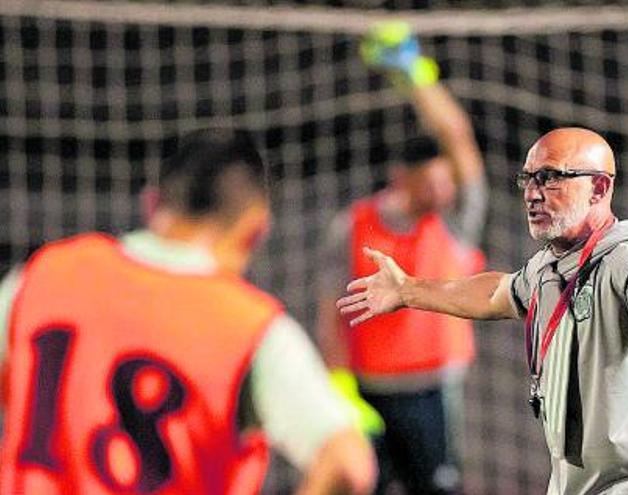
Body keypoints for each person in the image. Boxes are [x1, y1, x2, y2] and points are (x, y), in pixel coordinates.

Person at [337, 127, 628, 494]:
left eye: (551, 177)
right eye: (528, 178)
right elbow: (496, 292)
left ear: (598, 187)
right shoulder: (550, 267)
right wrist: (409, 289)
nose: (532, 192)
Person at [0, 128, 377, 495]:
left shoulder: (44, 273)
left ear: (151, 203)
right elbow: (348, 464)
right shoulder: (249, 327)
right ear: (256, 229)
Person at [316, 22, 487, 495]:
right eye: (431, 181)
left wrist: (414, 75)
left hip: (434, 386)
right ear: (401, 178)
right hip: (369, 389)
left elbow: (457, 135)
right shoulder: (353, 226)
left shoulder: (453, 224)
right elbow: (331, 310)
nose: (443, 190)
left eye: (446, 181)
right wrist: (339, 384)